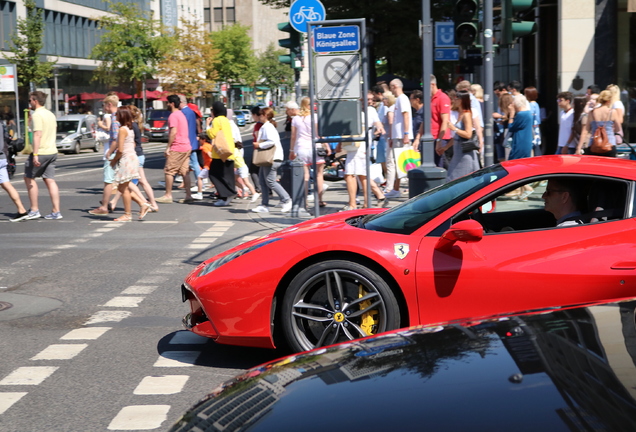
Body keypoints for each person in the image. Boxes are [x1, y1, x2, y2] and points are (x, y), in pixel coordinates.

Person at [339, 92, 387, 210]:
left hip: (360, 147)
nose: (370, 101)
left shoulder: (370, 111)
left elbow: (377, 122)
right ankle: (367, 202)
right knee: (362, 175)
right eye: (368, 99)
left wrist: (380, 128)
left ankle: (353, 204)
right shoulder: (356, 110)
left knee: (350, 175)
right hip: (356, 146)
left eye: (372, 99)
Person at [22, 91, 62, 220]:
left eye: (30, 101)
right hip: (52, 151)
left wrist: (35, 154)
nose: (29, 103)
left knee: (29, 178)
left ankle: (34, 210)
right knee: (50, 180)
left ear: (35, 101)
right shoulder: (50, 114)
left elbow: (37, 134)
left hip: (42, 151)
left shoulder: (37, 115)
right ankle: (56, 211)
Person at [109, 106, 150, 222]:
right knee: (122, 188)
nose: (115, 115)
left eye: (117, 114)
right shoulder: (130, 128)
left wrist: (113, 160)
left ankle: (128, 214)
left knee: (124, 188)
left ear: (121, 115)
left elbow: (120, 149)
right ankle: (143, 204)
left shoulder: (122, 129)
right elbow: (132, 145)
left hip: (126, 159)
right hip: (132, 158)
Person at [290, 97, 330, 208]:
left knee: (305, 175)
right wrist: (327, 146)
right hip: (315, 147)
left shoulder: (296, 119)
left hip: (301, 148)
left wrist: (292, 150)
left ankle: (305, 202)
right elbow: (320, 134)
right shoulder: (316, 117)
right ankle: (319, 200)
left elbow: (293, 137)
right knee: (319, 174)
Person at [252, 107, 292, 213]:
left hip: (272, 158)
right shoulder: (267, 126)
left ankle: (287, 200)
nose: (259, 116)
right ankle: (264, 205)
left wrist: (259, 145)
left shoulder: (267, 127)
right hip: (270, 158)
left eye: (261, 115)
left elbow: (271, 142)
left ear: (265, 116)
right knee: (263, 181)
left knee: (270, 181)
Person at [156, 95, 192, 204]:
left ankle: (168, 195)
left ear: (172, 103)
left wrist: (168, 148)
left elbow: (173, 132)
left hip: (177, 147)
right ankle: (188, 195)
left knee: (169, 171)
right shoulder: (182, 114)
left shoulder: (173, 116)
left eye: (167, 103)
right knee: (184, 171)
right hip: (186, 146)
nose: (166, 105)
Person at [89, 93, 119, 215]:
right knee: (125, 183)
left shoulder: (114, 118)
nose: (103, 107)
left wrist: (110, 152)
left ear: (109, 105)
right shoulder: (120, 116)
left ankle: (104, 207)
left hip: (113, 153)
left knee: (108, 181)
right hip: (119, 152)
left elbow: (116, 138)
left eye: (104, 105)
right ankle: (144, 203)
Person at [415, 75, 452, 167]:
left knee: (440, 168)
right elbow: (425, 120)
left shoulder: (442, 98)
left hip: (439, 139)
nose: (422, 88)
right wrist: (417, 138)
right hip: (429, 139)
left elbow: (445, 121)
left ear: (432, 84)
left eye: (423, 85)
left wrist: (439, 140)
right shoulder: (429, 99)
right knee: (427, 168)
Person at [206, 101, 236, 206]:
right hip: (228, 151)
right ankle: (224, 197)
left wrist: (207, 127)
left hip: (219, 153)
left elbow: (212, 134)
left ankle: (228, 194)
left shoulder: (217, 120)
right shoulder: (226, 120)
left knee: (214, 174)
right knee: (227, 175)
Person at [385, 79, 411, 198]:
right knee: (399, 163)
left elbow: (406, 115)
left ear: (395, 86)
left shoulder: (402, 98)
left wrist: (406, 134)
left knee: (403, 163)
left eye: (391, 87)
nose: (390, 90)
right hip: (398, 136)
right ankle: (396, 189)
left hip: (401, 136)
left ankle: (399, 188)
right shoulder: (400, 99)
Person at [445, 91, 479, 182]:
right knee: (453, 178)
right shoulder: (461, 114)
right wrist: (446, 147)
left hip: (464, 154)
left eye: (456, 98)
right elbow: (457, 136)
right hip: (458, 152)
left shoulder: (467, 114)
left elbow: (468, 134)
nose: (454, 101)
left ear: (461, 100)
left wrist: (453, 128)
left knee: (458, 179)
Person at [505, 95, 534, 199]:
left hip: (520, 143)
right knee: (522, 167)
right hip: (525, 142)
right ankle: (523, 194)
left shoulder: (521, 114)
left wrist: (511, 114)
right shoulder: (528, 113)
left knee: (514, 166)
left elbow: (511, 127)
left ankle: (526, 188)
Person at [576, 90, 621, 157]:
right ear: (609, 101)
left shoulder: (592, 112)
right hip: (610, 145)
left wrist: (579, 147)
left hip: (594, 145)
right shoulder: (613, 112)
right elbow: (618, 129)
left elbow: (585, 131)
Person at [1, 123, 28, 221]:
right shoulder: (1, 124)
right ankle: (22, 210)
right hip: (2, 157)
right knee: (6, 184)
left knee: (6, 184)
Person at [180, 95, 203, 200]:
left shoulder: (184, 113)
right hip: (192, 141)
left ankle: (200, 184)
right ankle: (200, 184)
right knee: (194, 164)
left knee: (193, 164)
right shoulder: (191, 112)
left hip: (187, 142)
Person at [524, 86, 542, 155]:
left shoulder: (530, 105)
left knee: (533, 146)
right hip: (536, 126)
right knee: (536, 145)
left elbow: (530, 117)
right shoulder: (536, 104)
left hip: (532, 127)